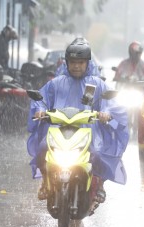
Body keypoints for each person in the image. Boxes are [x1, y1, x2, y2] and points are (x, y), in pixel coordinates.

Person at [26, 38, 129, 203]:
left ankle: (100, 185)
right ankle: (45, 183)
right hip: (59, 129)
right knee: (43, 148)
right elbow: (41, 99)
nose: (76, 66)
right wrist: (39, 110)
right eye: (73, 62)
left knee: (97, 153)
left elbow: (111, 103)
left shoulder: (96, 84)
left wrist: (106, 113)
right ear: (66, 63)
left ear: (87, 63)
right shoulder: (56, 83)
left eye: (80, 62)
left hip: (88, 131)